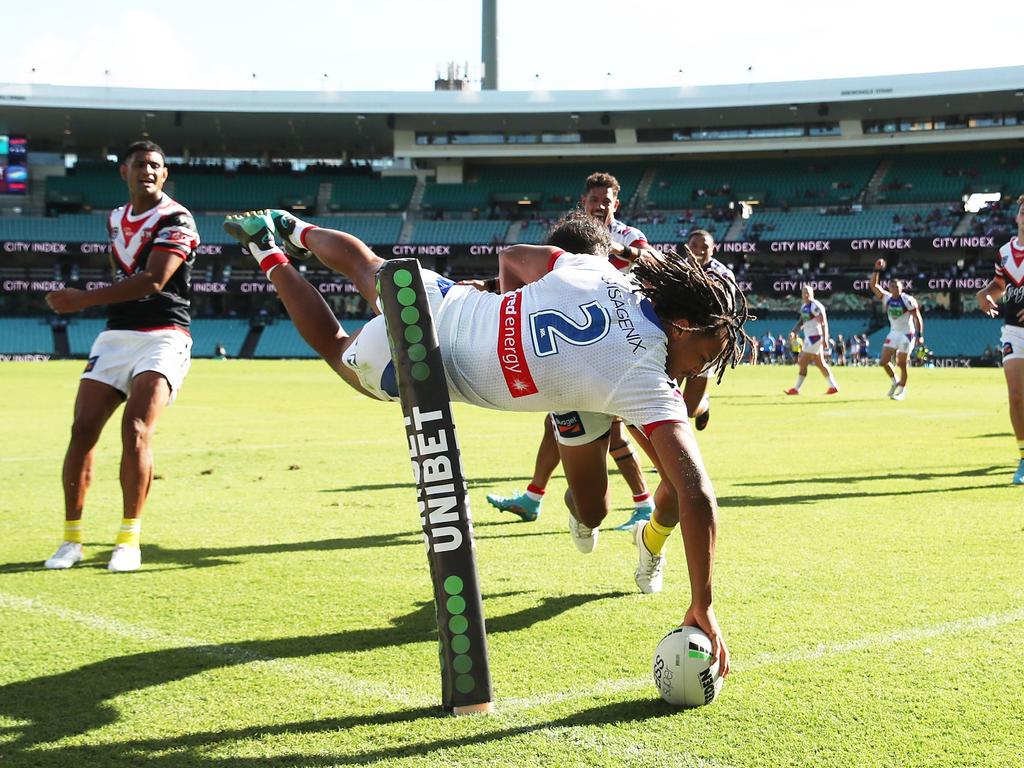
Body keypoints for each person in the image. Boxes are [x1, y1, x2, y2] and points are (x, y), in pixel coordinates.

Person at [224, 208, 750, 672]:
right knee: (339, 350)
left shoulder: (599, 270)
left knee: (365, 267)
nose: (699, 369)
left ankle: (290, 227)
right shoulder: (645, 378)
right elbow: (696, 491)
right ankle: (268, 256)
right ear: (681, 325)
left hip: (442, 298)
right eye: (705, 355)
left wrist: (510, 308)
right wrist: (702, 601)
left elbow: (520, 255)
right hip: (425, 359)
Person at [43, 140, 199, 572]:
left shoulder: (177, 218)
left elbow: (154, 280)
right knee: (82, 430)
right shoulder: (114, 218)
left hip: (165, 334)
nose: (148, 171)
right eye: (140, 164)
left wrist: (83, 300)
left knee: (135, 429)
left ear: (164, 174)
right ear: (123, 172)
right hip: (116, 335)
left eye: (155, 165)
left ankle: (128, 540)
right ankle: (71, 540)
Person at [487, 172, 659, 529]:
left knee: (618, 427)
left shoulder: (625, 235)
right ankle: (534, 497)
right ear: (584, 202)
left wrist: (616, 250)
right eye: (594, 200)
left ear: (616, 204)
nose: (599, 206)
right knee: (559, 424)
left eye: (606, 201)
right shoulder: (573, 236)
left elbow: (648, 258)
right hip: (577, 337)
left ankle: (645, 503)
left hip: (616, 338)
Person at [975, 193, 1024, 484]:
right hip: (1014, 332)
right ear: (1017, 217)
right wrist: (984, 294)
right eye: (1022, 210)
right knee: (1017, 396)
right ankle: (1023, 457)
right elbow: (999, 285)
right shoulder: (1005, 252)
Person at [680, 229, 736, 431]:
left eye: (705, 246)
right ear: (687, 247)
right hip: (676, 341)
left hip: (704, 342)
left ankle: (703, 406)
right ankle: (667, 461)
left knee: (688, 409)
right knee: (667, 403)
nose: (699, 250)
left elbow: (726, 311)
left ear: (713, 249)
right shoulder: (675, 269)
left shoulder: (722, 274)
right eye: (694, 245)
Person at [869, 258, 924, 400]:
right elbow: (873, 285)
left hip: (907, 333)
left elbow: (918, 317)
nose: (895, 288)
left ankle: (902, 391)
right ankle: (895, 382)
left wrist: (920, 334)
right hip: (893, 332)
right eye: (892, 286)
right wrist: (876, 270)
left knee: (902, 363)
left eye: (897, 286)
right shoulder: (886, 298)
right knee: (883, 361)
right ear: (889, 288)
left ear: (902, 288)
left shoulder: (908, 300)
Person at [784, 285, 839, 395]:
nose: (805, 295)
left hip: (815, 337)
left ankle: (796, 389)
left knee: (802, 361)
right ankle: (833, 386)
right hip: (810, 337)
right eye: (804, 292)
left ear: (812, 294)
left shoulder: (815, 306)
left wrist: (825, 338)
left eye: (808, 293)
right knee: (820, 363)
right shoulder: (804, 306)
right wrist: (794, 331)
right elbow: (801, 321)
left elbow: (823, 322)